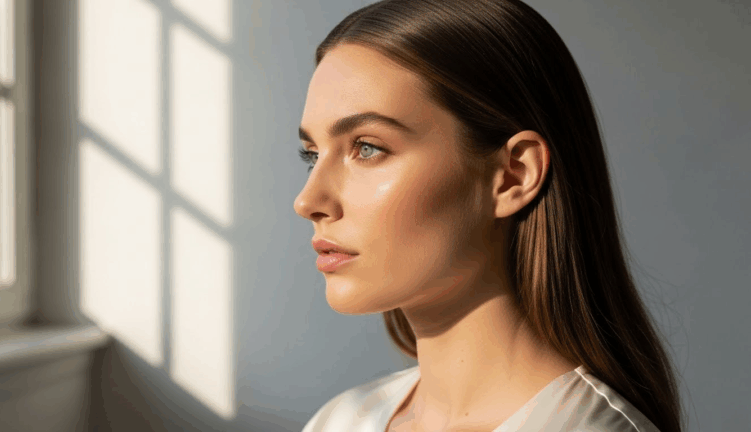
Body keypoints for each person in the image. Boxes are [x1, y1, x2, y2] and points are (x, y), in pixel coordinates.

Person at [293, 0, 684, 431]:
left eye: (367, 148)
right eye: (312, 154)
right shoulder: (339, 421)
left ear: (513, 175)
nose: (308, 200)